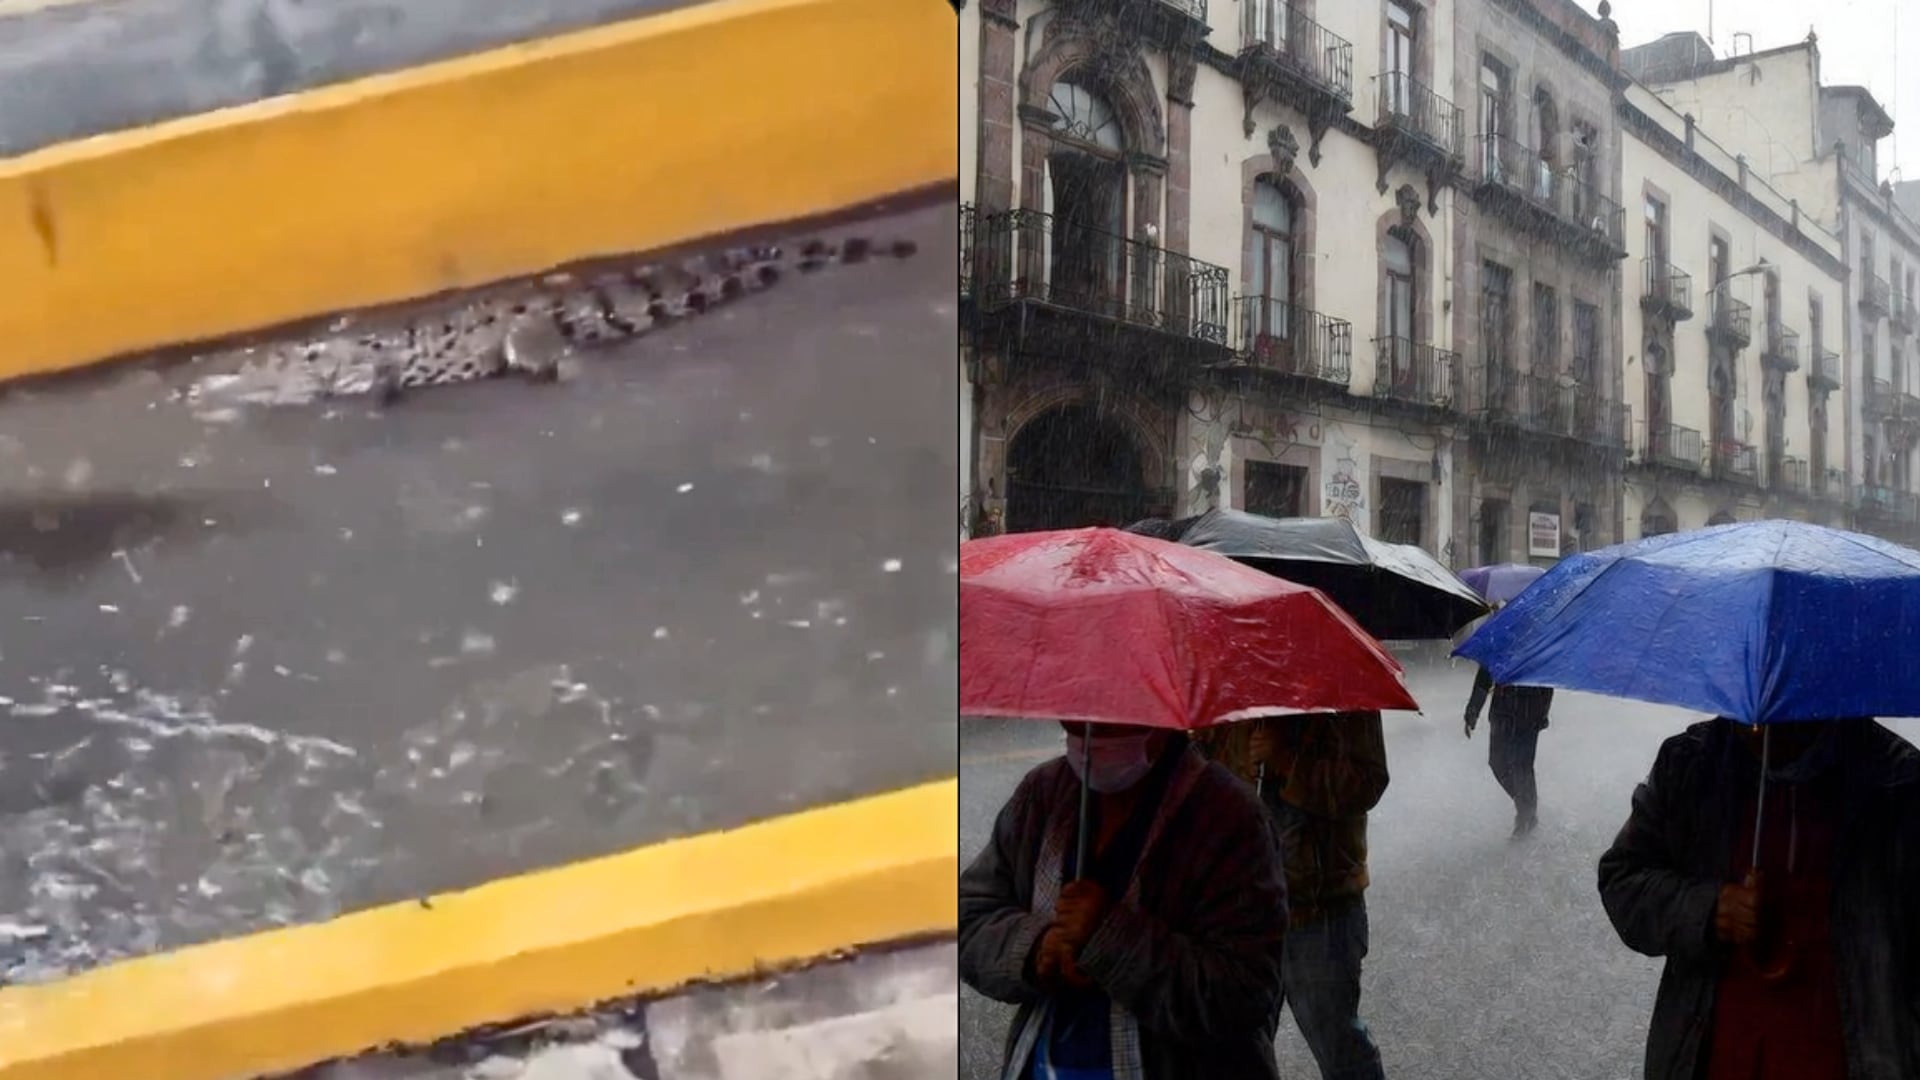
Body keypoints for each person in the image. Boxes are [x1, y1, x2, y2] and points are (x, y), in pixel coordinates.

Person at [959, 721, 1290, 1079]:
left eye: (1112, 720)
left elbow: (1244, 994)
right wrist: (1035, 949)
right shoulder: (1042, 794)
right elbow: (969, 916)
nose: (1089, 729)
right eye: (1075, 712)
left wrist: (1109, 935)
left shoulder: (1231, 818)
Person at [1597, 716, 1920, 1080]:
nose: (1761, 730)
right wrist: (1706, 909)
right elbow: (1623, 879)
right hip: (1715, 1055)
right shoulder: (1691, 763)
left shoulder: (1899, 782)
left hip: (1851, 1057)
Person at [1196, 712, 1390, 1080]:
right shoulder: (1232, 685)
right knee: (1235, 1046)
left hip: (1319, 907)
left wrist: (1289, 762)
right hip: (1241, 906)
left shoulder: (1341, 684)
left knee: (1337, 1043)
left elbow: (1367, 783)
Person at [1462, 642, 1554, 837]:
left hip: (1530, 714)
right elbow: (1485, 676)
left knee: (1522, 766)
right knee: (1497, 763)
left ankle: (1526, 814)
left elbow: (1548, 680)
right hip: (1502, 713)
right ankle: (1525, 805)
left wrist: (1542, 713)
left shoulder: (1541, 643)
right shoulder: (1501, 640)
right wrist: (1473, 710)